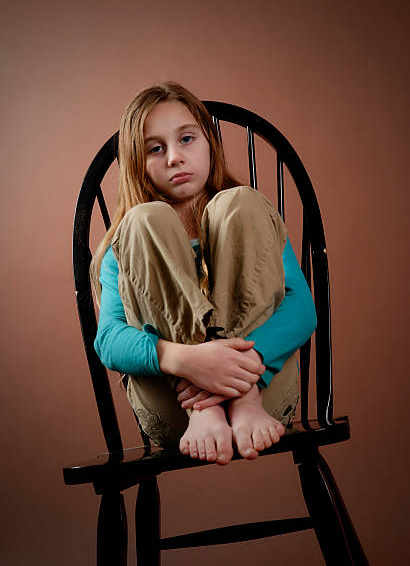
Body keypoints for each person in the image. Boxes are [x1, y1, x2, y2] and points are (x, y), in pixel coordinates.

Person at [91, 81, 317, 466]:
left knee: (241, 202)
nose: (175, 157)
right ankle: (203, 408)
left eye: (187, 139)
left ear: (210, 143)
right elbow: (110, 340)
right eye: (155, 148)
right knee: (144, 219)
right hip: (176, 404)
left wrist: (244, 370)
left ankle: (243, 397)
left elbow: (302, 310)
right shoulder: (128, 241)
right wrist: (186, 362)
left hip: (262, 390)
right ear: (136, 162)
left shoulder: (249, 218)